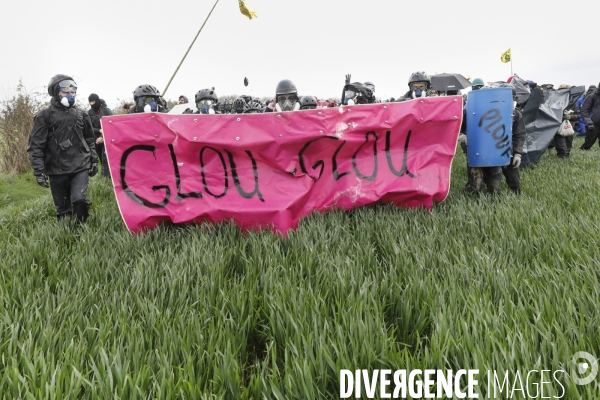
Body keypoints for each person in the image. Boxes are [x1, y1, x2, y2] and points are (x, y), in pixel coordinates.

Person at [27, 74, 98, 222]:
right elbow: (36, 146)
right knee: (63, 210)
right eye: (65, 91)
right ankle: (66, 235)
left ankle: (82, 231)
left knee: (78, 200)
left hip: (80, 165)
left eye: (73, 91)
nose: (70, 94)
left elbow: (90, 139)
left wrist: (94, 160)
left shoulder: (81, 114)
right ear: (56, 92)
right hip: (56, 169)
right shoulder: (44, 116)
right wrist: (39, 171)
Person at [458, 79, 502, 195]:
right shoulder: (467, 111)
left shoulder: (498, 111)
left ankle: (492, 193)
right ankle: (472, 191)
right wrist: (462, 136)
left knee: (495, 186)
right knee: (476, 186)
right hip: (474, 149)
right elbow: (458, 127)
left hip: (493, 150)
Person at [87, 93, 114, 178]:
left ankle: (105, 180)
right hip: (96, 140)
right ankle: (107, 177)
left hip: (107, 138)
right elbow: (89, 127)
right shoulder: (89, 113)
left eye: (93, 101)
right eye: (90, 102)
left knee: (106, 160)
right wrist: (98, 130)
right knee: (101, 161)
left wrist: (103, 136)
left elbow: (111, 124)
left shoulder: (106, 111)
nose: (92, 104)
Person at [581, 82, 600, 150]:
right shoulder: (592, 96)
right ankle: (583, 150)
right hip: (593, 124)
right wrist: (589, 122)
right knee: (588, 144)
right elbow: (584, 110)